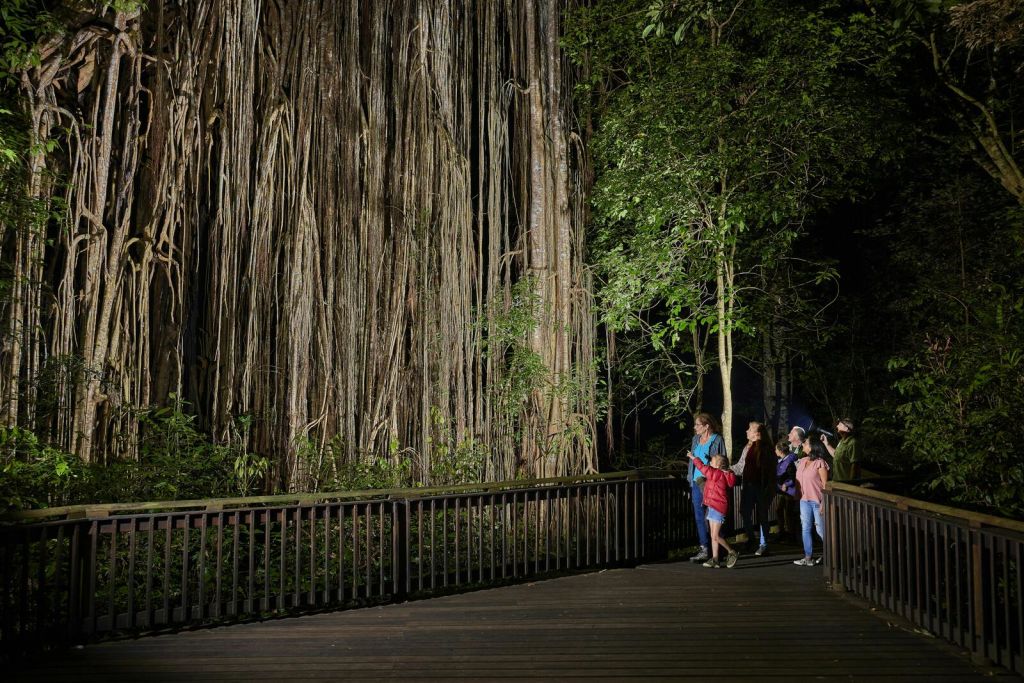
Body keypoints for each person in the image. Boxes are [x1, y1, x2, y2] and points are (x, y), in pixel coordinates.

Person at [686, 412, 727, 563]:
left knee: (713, 516)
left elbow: (722, 462)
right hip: (697, 482)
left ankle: (719, 550)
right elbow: (692, 462)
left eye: (698, 425)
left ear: (706, 426)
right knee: (698, 515)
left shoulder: (717, 440)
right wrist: (690, 480)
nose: (695, 427)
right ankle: (704, 548)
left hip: (711, 483)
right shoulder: (695, 439)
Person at [687, 452, 739, 568]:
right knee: (713, 535)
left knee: (715, 536)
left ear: (718, 465)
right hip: (713, 506)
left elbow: (702, 467)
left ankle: (732, 552)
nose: (710, 461)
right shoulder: (722, 474)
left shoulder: (716, 473)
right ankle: (715, 559)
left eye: (713, 460)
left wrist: (693, 458)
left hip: (717, 507)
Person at [737, 422, 775, 556]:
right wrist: (725, 470)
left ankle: (764, 544)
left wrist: (768, 487)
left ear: (757, 433)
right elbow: (741, 466)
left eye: (750, 429)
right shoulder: (748, 447)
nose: (747, 431)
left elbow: (770, 470)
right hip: (748, 485)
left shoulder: (766, 449)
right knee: (744, 511)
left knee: (762, 515)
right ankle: (752, 539)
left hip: (760, 486)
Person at [794, 435, 830, 566]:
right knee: (806, 528)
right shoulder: (802, 461)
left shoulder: (820, 462)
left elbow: (826, 485)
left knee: (820, 530)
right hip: (804, 500)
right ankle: (808, 557)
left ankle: (832, 555)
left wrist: (824, 503)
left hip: (817, 501)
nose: (803, 444)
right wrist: (797, 495)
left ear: (812, 446)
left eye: (806, 443)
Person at [774, 437, 799, 542]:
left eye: (776, 449)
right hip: (784, 491)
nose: (775, 451)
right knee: (779, 510)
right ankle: (782, 532)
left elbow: (793, 476)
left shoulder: (789, 462)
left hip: (790, 491)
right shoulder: (783, 460)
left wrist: (786, 484)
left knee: (788, 513)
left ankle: (791, 536)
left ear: (780, 451)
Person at [823, 418, 862, 482]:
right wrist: (826, 443)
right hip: (837, 480)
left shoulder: (852, 443)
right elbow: (835, 455)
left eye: (840, 425)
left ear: (847, 429)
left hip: (845, 483)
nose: (837, 426)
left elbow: (855, 465)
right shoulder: (842, 441)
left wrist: (850, 483)